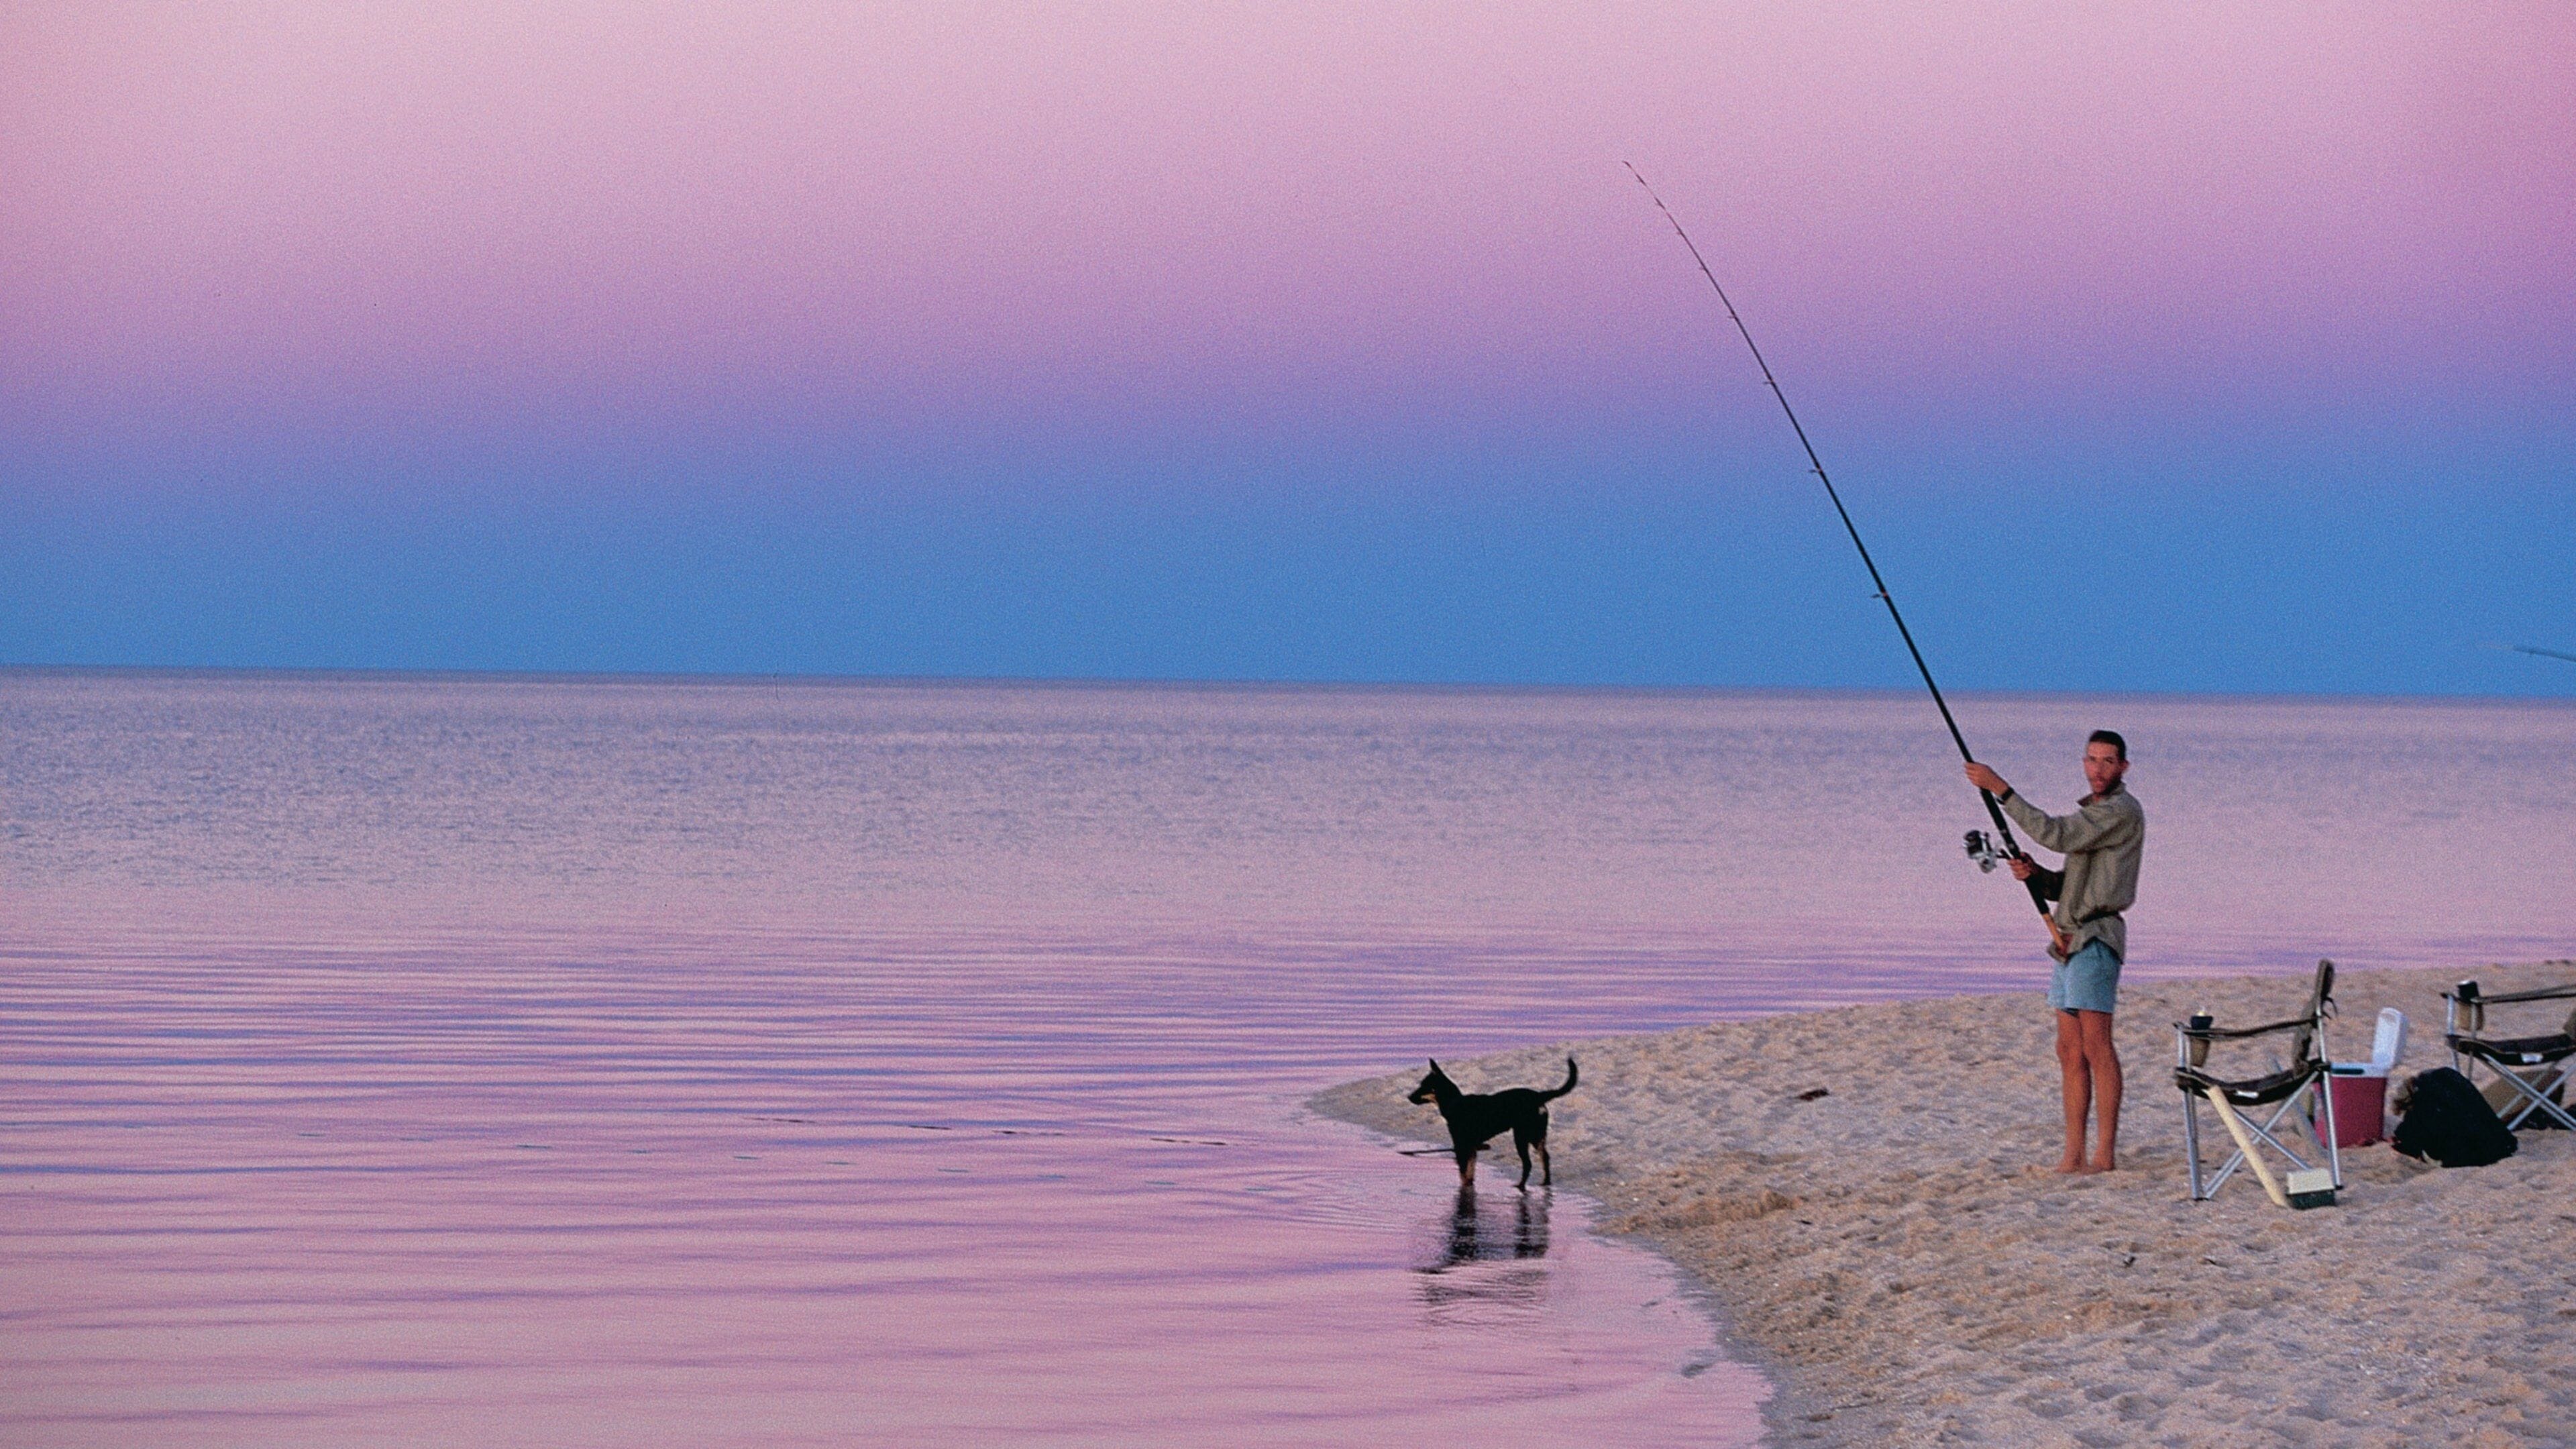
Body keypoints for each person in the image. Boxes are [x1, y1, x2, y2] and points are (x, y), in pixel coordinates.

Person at [1965, 731, 2144, 1173]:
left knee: (2097, 1046)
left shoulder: (2121, 811)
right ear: (2084, 763)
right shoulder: (2094, 815)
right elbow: (2068, 885)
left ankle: (2104, 1155)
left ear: (2123, 767)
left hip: (2097, 939)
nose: (2098, 769)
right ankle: (2074, 1154)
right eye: (2092, 760)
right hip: (2067, 940)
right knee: (2068, 1049)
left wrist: (1999, 788)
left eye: (2108, 761)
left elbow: (2057, 834)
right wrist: (2035, 875)